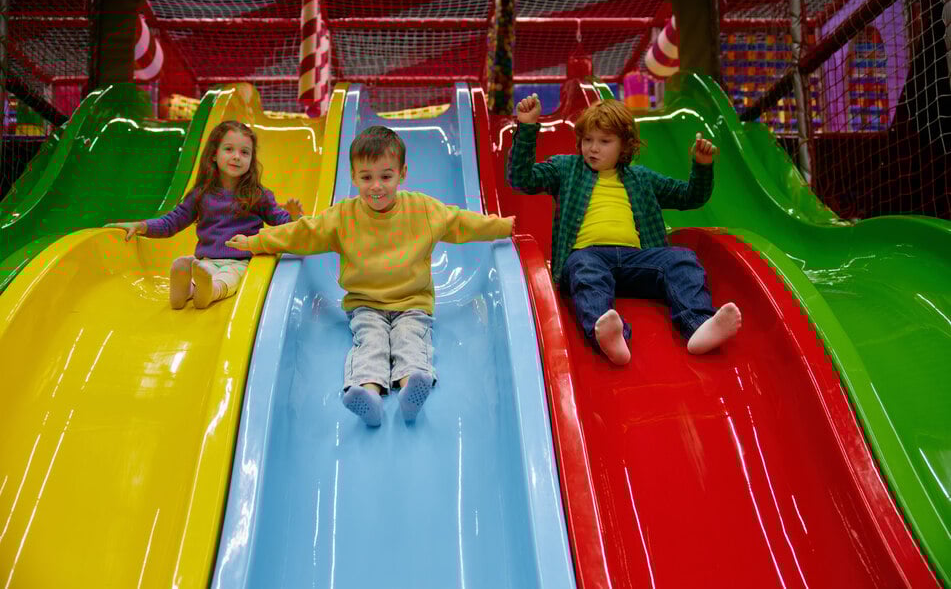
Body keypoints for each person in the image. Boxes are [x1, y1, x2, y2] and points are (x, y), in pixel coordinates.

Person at [226, 125, 513, 427]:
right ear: (353, 176)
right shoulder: (343, 217)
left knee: (409, 338)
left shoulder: (423, 209)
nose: (376, 186)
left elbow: (461, 223)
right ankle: (369, 395)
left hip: (411, 301)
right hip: (365, 304)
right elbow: (302, 234)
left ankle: (410, 387)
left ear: (403, 173)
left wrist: (499, 226)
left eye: (385, 176)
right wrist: (256, 241)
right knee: (371, 342)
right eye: (366, 178)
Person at [508, 95, 741, 365]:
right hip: (589, 255)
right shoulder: (566, 169)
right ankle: (607, 336)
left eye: (604, 142)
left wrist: (702, 166)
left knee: (682, 258)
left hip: (637, 260)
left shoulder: (641, 178)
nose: (593, 149)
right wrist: (526, 128)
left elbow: (690, 197)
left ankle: (699, 324)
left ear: (624, 146)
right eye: (587, 140)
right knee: (585, 268)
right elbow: (521, 179)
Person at [106, 120, 302, 310]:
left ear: (251, 160)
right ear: (214, 155)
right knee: (200, 272)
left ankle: (209, 292)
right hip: (206, 261)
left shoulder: (258, 195)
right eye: (229, 149)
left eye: (244, 152)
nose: (236, 157)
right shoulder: (202, 194)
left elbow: (282, 225)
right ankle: (184, 291)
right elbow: (172, 221)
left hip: (241, 261)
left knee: (227, 278)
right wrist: (142, 226)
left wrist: (293, 217)